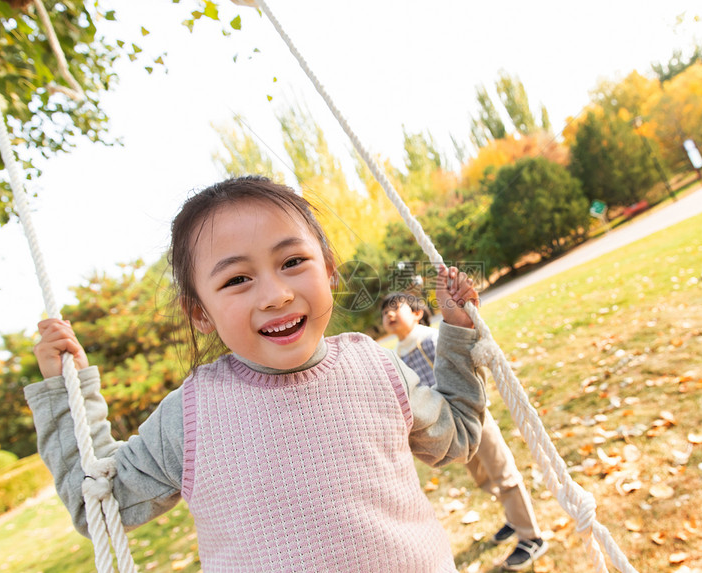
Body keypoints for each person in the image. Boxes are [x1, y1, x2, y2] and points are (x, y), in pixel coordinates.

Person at [26, 176, 488, 572]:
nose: (275, 295)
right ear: (200, 313)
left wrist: (458, 332)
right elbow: (98, 505)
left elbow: (458, 437)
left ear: (327, 270)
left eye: (292, 262)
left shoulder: (376, 369)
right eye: (236, 279)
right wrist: (68, 392)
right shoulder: (190, 417)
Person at [381, 292, 548, 572]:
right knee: (482, 477)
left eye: (395, 308)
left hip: (473, 417)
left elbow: (466, 366)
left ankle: (531, 537)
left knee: (502, 472)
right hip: (449, 428)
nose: (388, 315)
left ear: (418, 313)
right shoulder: (399, 356)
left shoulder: (433, 339)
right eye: (384, 312)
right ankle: (513, 516)